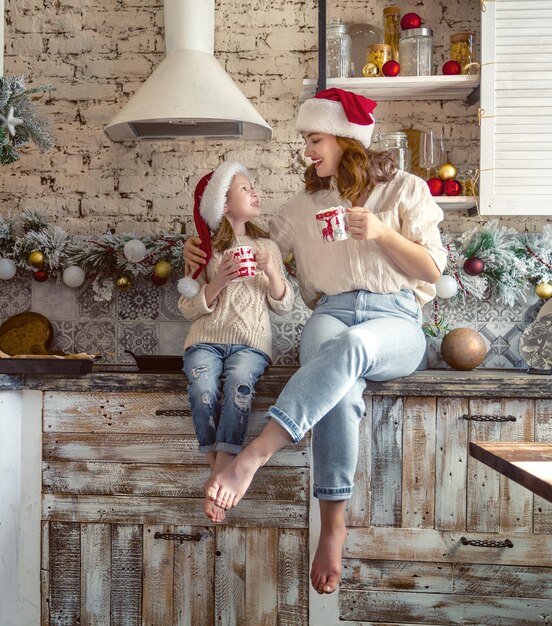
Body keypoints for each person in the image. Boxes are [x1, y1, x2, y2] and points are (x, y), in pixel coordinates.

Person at [183, 88, 447, 592]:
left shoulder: (405, 191)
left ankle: (254, 455)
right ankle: (333, 525)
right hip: (330, 312)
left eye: (314, 138)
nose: (306, 149)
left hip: (396, 321)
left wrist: (382, 234)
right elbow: (248, 237)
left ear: (347, 140)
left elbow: (432, 268)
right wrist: (200, 241)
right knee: (340, 386)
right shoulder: (305, 204)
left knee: (351, 350)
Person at [178, 161, 293, 523]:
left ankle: (218, 476)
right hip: (206, 341)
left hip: (251, 343)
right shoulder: (203, 248)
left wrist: (272, 271)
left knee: (239, 388)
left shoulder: (267, 246)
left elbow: (284, 305)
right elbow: (187, 307)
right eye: (245, 189)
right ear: (222, 204)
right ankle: (222, 475)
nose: (255, 192)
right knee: (202, 390)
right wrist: (218, 282)